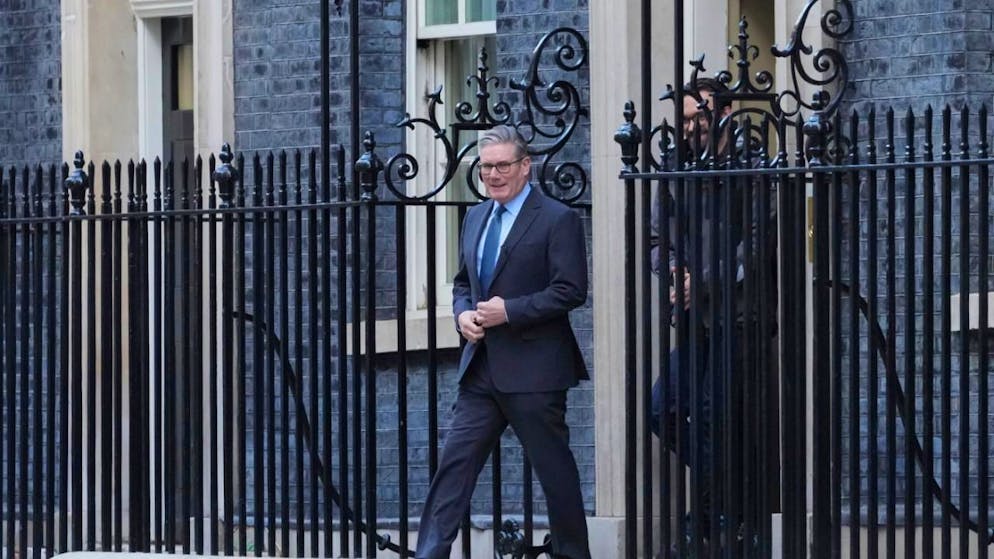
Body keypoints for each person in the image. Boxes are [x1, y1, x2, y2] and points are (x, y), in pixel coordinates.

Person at [415, 125, 591, 559]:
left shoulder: (557, 218)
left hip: (536, 372)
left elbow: (571, 289)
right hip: (481, 372)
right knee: (452, 471)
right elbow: (462, 283)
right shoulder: (475, 217)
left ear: (525, 167)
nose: (493, 175)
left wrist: (508, 311)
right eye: (486, 167)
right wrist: (461, 315)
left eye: (502, 166)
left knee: (555, 475)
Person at [649, 77, 778, 556]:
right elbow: (655, 238)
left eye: (699, 115)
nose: (691, 126)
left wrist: (698, 280)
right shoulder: (675, 167)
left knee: (710, 414)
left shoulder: (752, 166)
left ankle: (710, 513)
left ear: (723, 113)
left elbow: (754, 246)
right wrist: (674, 270)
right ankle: (728, 501)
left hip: (740, 316)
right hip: (693, 318)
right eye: (683, 118)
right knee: (664, 410)